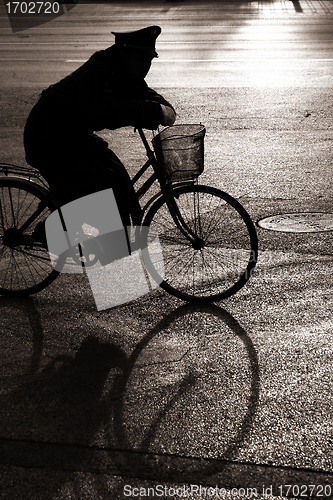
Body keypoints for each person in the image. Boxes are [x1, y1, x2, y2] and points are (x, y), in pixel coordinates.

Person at [24, 25, 176, 236]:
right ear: (124, 55)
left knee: (117, 173)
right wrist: (151, 112)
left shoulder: (124, 71)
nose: (145, 67)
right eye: (141, 60)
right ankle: (50, 230)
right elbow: (106, 112)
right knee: (100, 180)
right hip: (49, 137)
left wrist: (165, 108)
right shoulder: (99, 71)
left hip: (73, 135)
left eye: (149, 61)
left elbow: (144, 92)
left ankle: (119, 234)